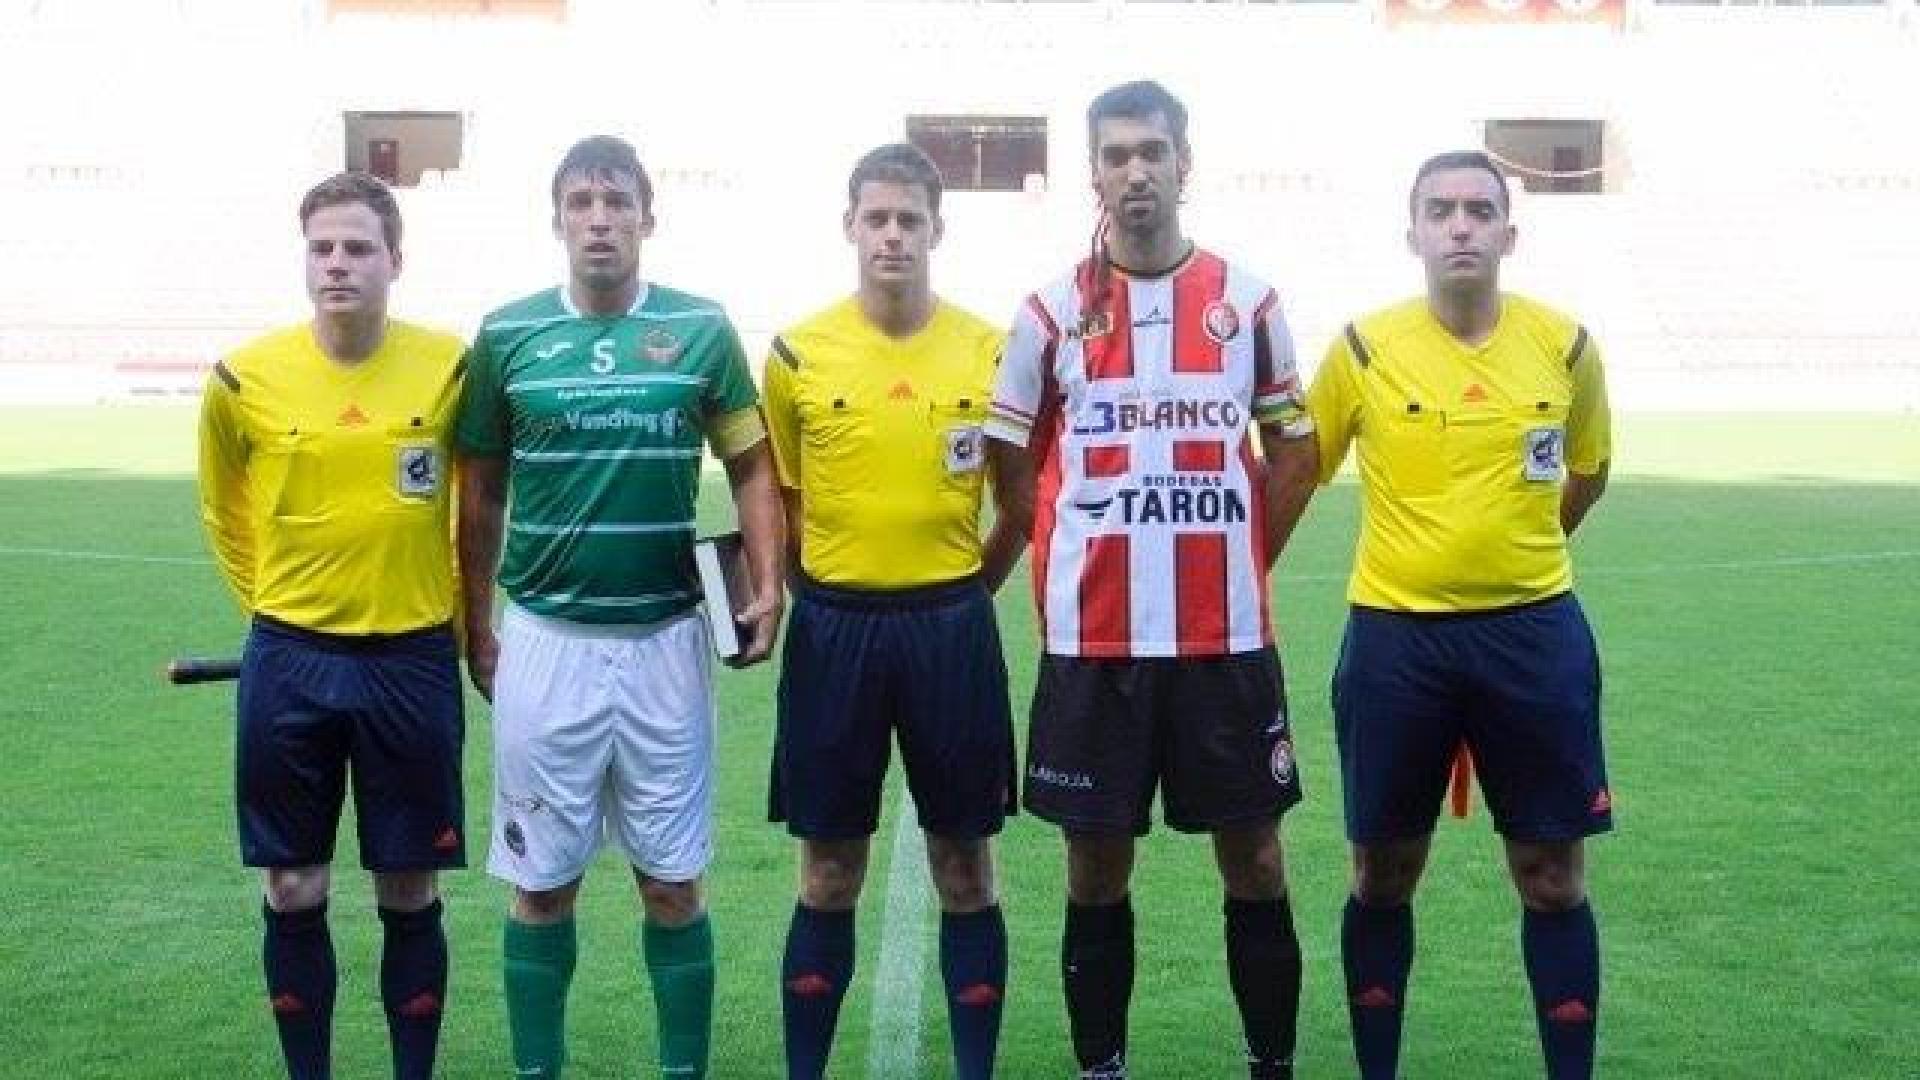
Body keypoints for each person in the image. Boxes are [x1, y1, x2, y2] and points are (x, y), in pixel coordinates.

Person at [982, 80, 1318, 1080]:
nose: (1137, 170)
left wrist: (1243, 559)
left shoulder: (1247, 302)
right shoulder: (1049, 313)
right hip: (1097, 645)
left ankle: (1271, 1063)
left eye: (1153, 152)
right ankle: (1102, 1067)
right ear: (1092, 169)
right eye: (1118, 153)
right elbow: (1010, 454)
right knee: (1095, 866)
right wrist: (1057, 542)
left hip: (1225, 643)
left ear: (1184, 164)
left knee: (1255, 857)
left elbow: (1294, 449)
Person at [452, 135, 785, 1080]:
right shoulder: (510, 335)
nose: (600, 218)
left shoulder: (701, 330)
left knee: (672, 882)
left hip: (664, 646)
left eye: (616, 201)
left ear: (647, 216)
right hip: (546, 642)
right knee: (540, 885)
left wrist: (770, 578)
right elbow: (479, 494)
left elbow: (752, 464)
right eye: (581, 202)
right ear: (556, 218)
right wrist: (476, 623)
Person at [1304, 150, 1614, 1079]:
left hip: (1534, 637)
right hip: (1396, 641)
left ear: (1509, 232)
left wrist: (1520, 554)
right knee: (1381, 874)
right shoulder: (1363, 348)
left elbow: (1587, 471)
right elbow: (1296, 466)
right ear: (1413, 234)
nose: (1462, 225)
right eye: (1440, 210)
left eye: (1480, 209)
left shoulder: (1565, 346)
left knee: (1552, 878)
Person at [762, 143, 1023, 1080]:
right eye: (876, 218)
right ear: (849, 227)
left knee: (966, 865)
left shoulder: (992, 349)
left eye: (910, 219)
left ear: (937, 230)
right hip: (836, 632)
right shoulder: (797, 352)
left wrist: (966, 594)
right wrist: (813, 592)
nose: (892, 235)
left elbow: (1021, 501)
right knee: (829, 870)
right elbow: (778, 499)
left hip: (951, 629)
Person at [197, 171, 466, 1080]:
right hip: (292, 661)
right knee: (293, 884)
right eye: (323, 248)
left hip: (413, 661)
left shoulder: (451, 367)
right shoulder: (245, 377)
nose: (339, 264)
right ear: (304, 258)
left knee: (409, 886)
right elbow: (223, 509)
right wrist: (277, 607)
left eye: (358, 248)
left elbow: (479, 507)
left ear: (396, 259)